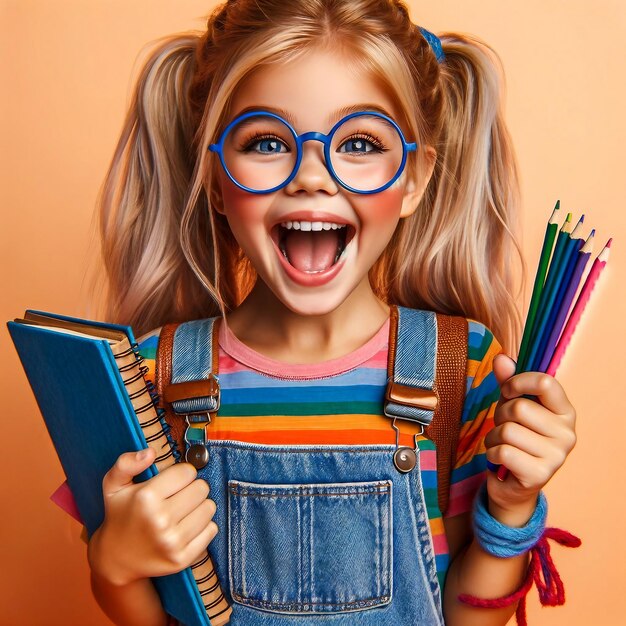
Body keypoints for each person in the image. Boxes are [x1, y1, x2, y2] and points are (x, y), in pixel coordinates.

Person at [85, 1, 578, 624]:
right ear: (214, 178)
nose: (312, 177)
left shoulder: (464, 370)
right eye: (267, 141)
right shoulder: (145, 377)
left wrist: (511, 504)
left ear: (415, 180)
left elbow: (469, 618)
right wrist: (115, 564)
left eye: (360, 143)